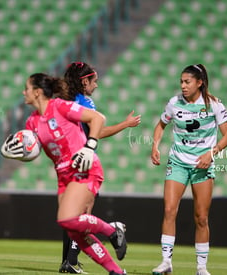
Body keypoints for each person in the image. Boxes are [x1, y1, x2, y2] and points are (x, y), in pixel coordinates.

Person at [0, 73, 127, 275]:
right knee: (74, 231)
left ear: (38, 92)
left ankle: (112, 231)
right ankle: (116, 272)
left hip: (84, 166)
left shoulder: (60, 106)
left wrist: (89, 146)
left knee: (67, 219)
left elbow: (97, 118)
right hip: (63, 175)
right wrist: (17, 150)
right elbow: (32, 148)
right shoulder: (32, 122)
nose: (24, 92)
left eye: (27, 88)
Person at [58, 62, 141, 273]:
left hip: (67, 162)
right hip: (83, 164)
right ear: (84, 81)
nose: (96, 85)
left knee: (73, 217)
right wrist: (125, 124)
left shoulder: (63, 101)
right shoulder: (84, 102)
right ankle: (112, 230)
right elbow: (99, 131)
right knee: (80, 217)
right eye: (94, 81)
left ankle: (70, 261)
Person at [150, 64, 227, 275]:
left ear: (199, 82)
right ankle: (166, 262)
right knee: (169, 210)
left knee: (201, 217)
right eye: (181, 82)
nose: (183, 86)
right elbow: (160, 125)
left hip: (202, 165)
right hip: (178, 162)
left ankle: (201, 268)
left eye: (187, 82)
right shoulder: (174, 103)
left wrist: (211, 154)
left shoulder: (214, 104)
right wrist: (155, 146)